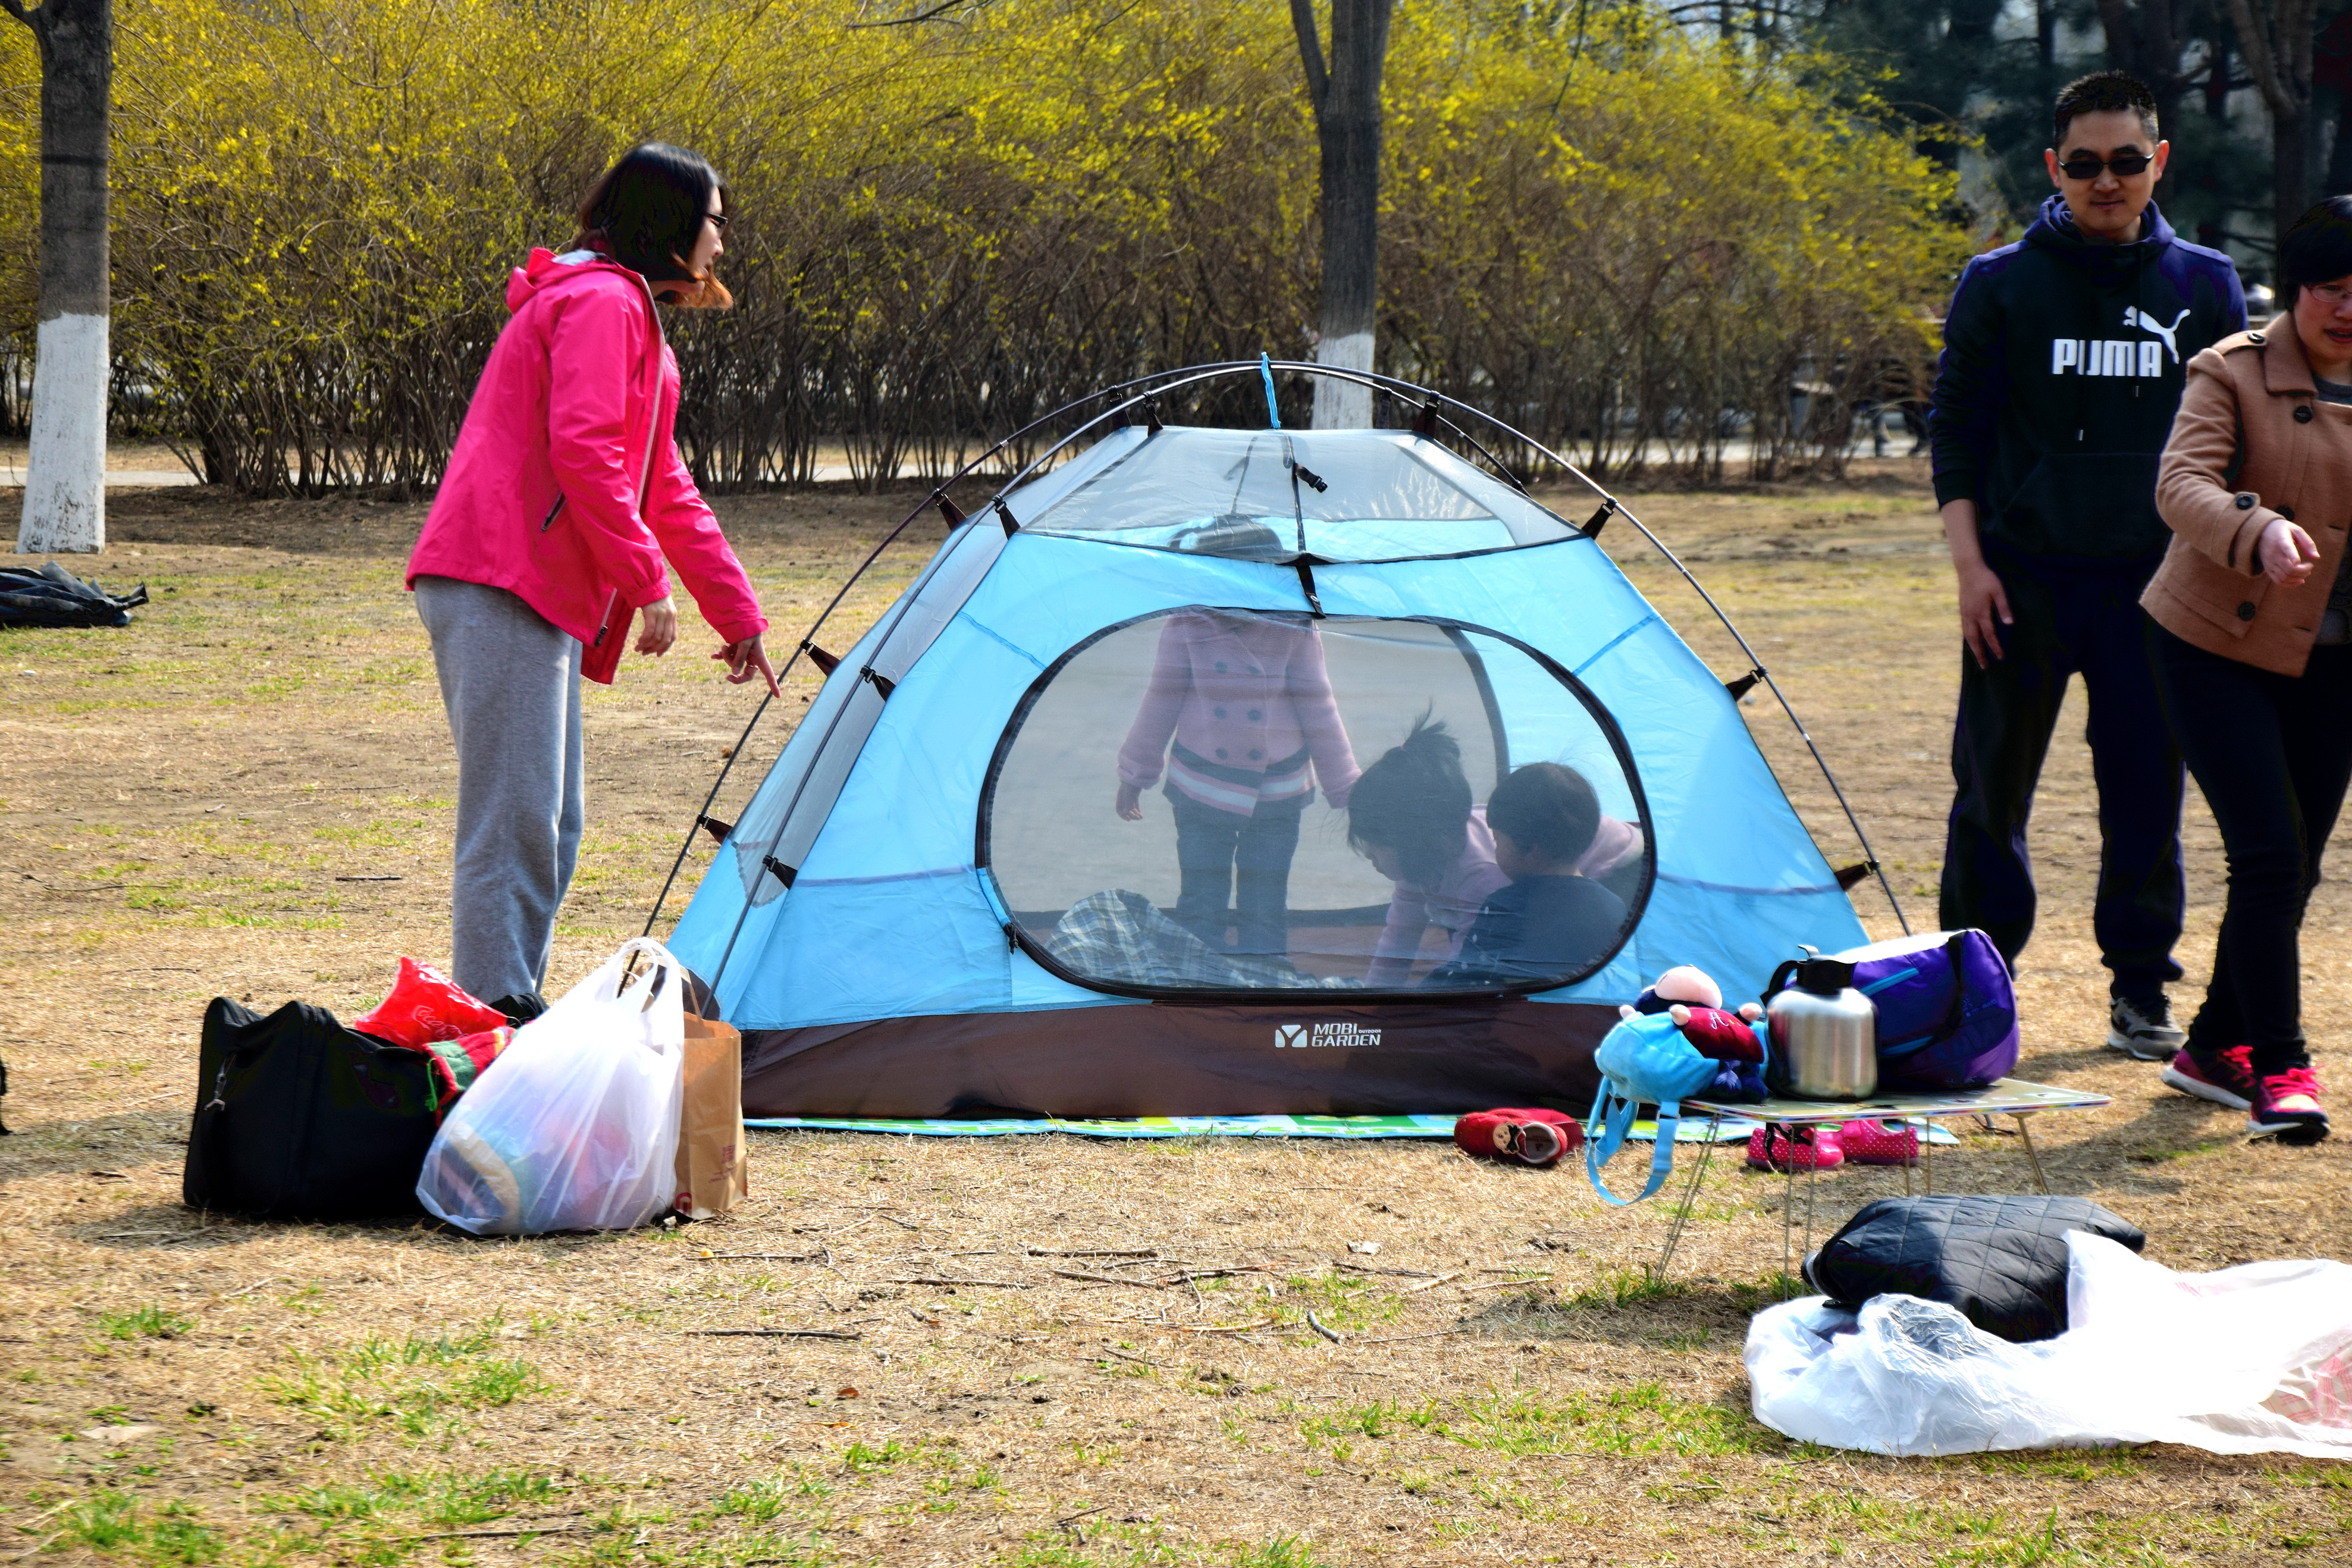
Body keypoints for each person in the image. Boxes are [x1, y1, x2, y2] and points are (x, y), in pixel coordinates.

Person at [406, 143, 779, 1006]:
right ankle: (495, 1025)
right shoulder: (605, 304)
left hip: (531, 585)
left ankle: (505, 1005)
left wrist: (736, 611)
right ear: (674, 222)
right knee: (516, 825)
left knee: (551, 825)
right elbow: (584, 450)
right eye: (718, 221)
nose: (723, 241)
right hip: (498, 574)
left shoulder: (629, 314)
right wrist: (647, 582)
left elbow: (664, 482)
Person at [1928, 71, 2245, 1058]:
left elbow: (2237, 442)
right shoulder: (1998, 283)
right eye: (2083, 164)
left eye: (2124, 162)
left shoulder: (2205, 285)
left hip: (2155, 590)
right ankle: (1975, 985)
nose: (2104, 182)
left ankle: (2141, 989)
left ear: (2158, 162)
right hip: (2018, 583)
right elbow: (1957, 438)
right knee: (1990, 795)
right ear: (2052, 168)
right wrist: (1972, 569)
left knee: (2147, 790)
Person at [2138, 197, 2352, 1145]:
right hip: (2215, 642)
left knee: (2295, 863)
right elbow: (2179, 485)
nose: (2347, 310)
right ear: (2298, 289)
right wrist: (2256, 526)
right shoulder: (2227, 370)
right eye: (2332, 290)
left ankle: (2211, 1045)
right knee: (2267, 853)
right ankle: (2281, 1066)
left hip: (2333, 656)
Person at [1114, 609, 1361, 957]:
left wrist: (1346, 786)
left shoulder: (1293, 626)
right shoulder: (1187, 624)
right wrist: (1134, 776)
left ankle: (1264, 980)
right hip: (1202, 787)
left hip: (1277, 792)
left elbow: (1318, 705)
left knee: (1265, 899)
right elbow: (1161, 700)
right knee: (1201, 896)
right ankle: (1199, 978)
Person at [1428, 763, 1628, 987]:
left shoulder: (1504, 905)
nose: (1495, 851)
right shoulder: (1614, 906)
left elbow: (1467, 977)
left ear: (1530, 849)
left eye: (1498, 841)